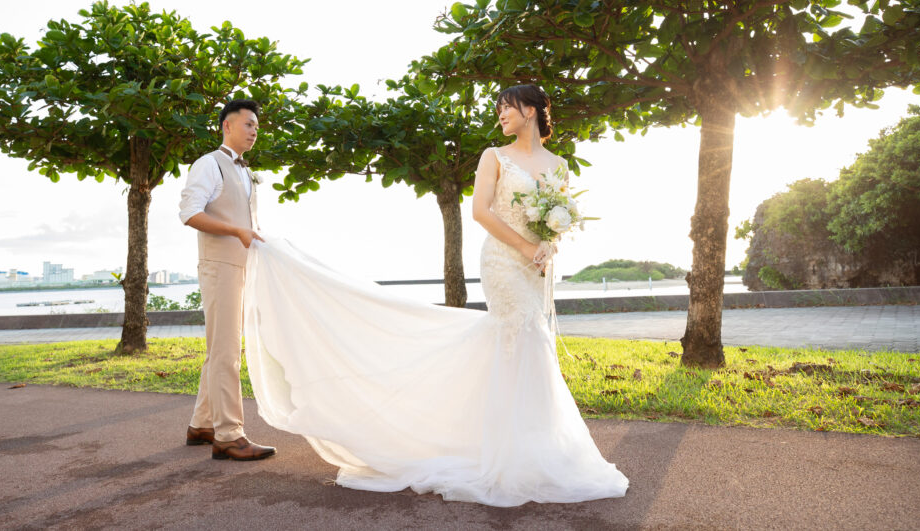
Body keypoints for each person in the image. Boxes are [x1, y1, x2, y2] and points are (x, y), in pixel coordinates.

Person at [242, 84, 628, 505]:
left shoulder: (559, 165)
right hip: (503, 262)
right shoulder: (493, 157)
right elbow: (481, 211)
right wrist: (523, 246)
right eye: (498, 107)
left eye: (508, 107)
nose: (500, 113)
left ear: (532, 110)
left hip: (536, 267)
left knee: (530, 344)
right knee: (515, 337)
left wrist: (548, 246)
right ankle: (503, 452)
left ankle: (534, 447)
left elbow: (558, 220)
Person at [179, 99, 275, 461]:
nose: (254, 131)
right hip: (219, 267)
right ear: (227, 126)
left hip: (241, 267)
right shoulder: (208, 164)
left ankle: (202, 425)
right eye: (248, 124)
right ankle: (229, 436)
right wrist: (236, 229)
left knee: (222, 347)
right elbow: (189, 213)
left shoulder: (244, 171)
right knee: (226, 352)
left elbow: (243, 221)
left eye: (256, 126)